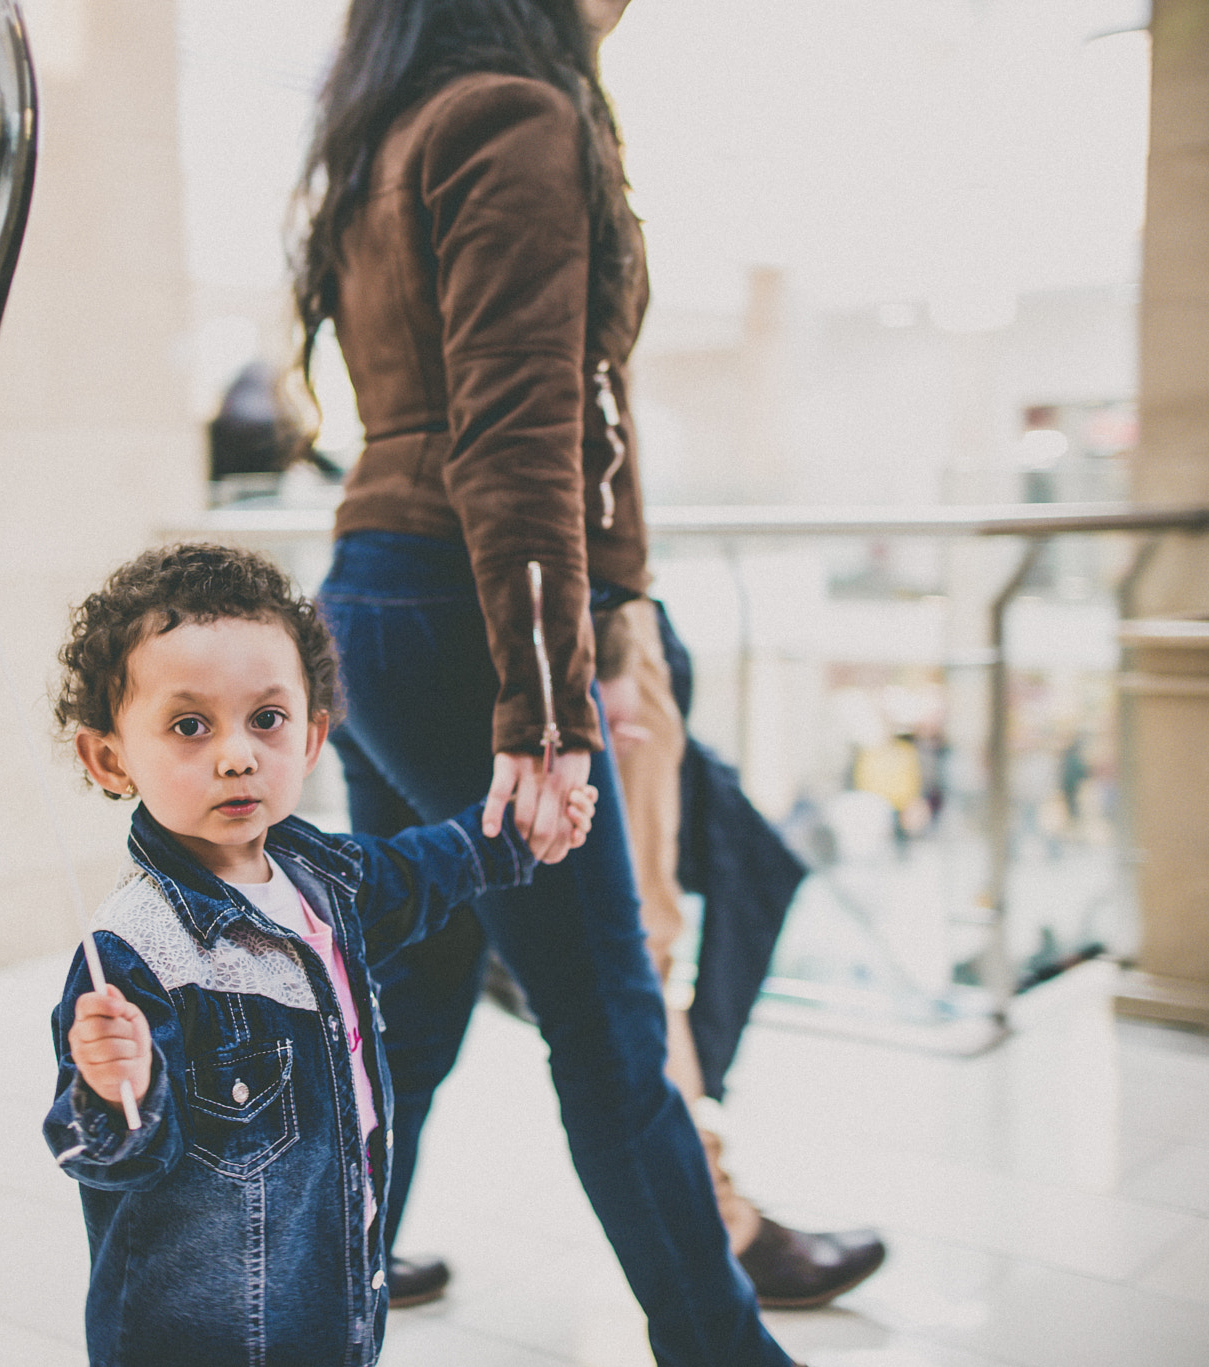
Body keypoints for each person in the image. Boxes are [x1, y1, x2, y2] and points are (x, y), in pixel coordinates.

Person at [297, 1, 799, 1362]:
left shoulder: (384, 130)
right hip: (465, 606)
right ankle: (723, 1343)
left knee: (414, 1000)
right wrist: (548, 707)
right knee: (610, 1025)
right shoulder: (515, 114)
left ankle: (309, 1310)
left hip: (379, 595)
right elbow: (520, 425)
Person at [42, 543, 596, 1367]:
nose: (237, 754)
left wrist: (515, 838)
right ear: (109, 758)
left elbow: (420, 871)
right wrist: (114, 1088)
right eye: (189, 725)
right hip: (205, 1338)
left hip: (331, 1298)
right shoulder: (134, 952)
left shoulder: (322, 878)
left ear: (310, 737)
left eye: (266, 718)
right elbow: (110, 1155)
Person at [598, 596, 887, 1307]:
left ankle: (355, 1237)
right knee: (636, 962)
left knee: (429, 985)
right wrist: (609, 650)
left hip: (491, 615)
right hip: (591, 632)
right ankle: (720, 1227)